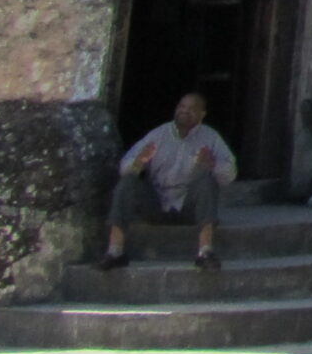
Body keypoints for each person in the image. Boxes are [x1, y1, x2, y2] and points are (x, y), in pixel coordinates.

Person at [101, 92, 237, 271]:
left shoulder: (211, 138)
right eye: (182, 106)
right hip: (157, 204)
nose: (185, 111)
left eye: (191, 108)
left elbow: (230, 174)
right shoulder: (158, 135)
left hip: (190, 207)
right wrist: (138, 163)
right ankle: (115, 251)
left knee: (207, 182)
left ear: (202, 114)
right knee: (127, 183)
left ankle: (205, 252)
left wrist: (212, 165)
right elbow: (124, 168)